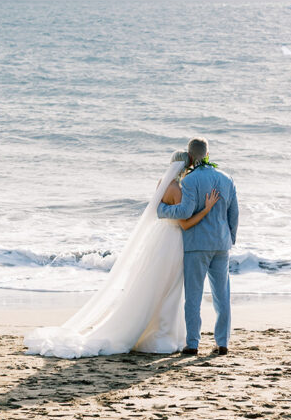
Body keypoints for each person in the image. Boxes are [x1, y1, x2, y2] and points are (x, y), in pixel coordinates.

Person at [24, 150, 220, 358]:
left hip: (159, 240)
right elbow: (185, 223)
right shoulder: (177, 189)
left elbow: (161, 211)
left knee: (155, 287)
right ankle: (163, 336)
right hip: (173, 243)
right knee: (170, 290)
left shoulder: (162, 182)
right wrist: (207, 209)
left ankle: (160, 332)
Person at [157, 137, 238, 357]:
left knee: (193, 296)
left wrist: (161, 210)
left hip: (196, 244)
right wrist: (230, 238)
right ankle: (223, 343)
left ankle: (193, 344)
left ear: (190, 156)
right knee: (222, 295)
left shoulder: (191, 180)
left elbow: (184, 212)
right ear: (208, 154)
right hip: (221, 244)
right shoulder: (227, 178)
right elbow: (234, 213)